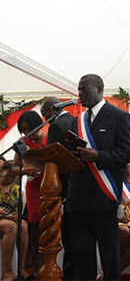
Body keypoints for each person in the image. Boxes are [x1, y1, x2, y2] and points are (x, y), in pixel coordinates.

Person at [66, 74, 130, 280]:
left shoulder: (119, 116)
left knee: (109, 255)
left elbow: (128, 152)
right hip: (78, 197)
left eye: (84, 89)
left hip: (104, 197)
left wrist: (99, 156)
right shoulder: (76, 121)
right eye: (79, 89)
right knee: (81, 255)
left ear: (99, 90)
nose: (80, 93)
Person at [41, 96, 75, 280]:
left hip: (61, 189)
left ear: (50, 110)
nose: (44, 119)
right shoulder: (76, 121)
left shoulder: (56, 126)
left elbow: (51, 160)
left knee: (67, 239)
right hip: (77, 188)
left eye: (44, 114)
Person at [12, 110, 47, 278]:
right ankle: (37, 267)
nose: (27, 133)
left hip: (51, 187)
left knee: (49, 226)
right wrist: (26, 169)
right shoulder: (21, 142)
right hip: (33, 190)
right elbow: (14, 167)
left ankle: (49, 267)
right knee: (35, 228)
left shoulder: (49, 138)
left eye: (29, 129)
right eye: (23, 130)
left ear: (38, 124)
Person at [0, 161, 29, 281]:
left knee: (23, 224)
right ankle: (7, 271)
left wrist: (17, 215)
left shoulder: (16, 189)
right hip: (3, 220)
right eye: (8, 175)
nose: (11, 179)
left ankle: (21, 268)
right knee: (10, 226)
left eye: (14, 176)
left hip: (9, 219)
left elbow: (17, 210)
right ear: (2, 172)